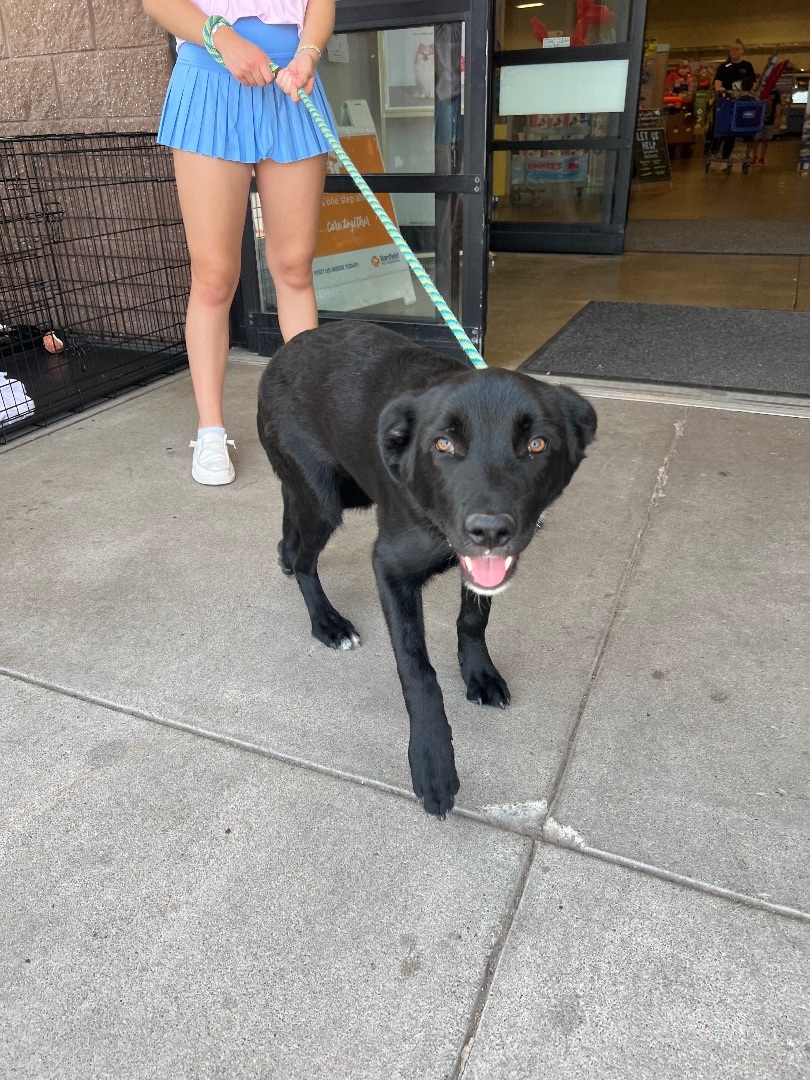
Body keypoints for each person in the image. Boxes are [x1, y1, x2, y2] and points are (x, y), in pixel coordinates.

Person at [142, 0, 337, 485]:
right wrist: (222, 39)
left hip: (290, 84)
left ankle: (305, 424)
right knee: (213, 277)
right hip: (210, 81)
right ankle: (211, 430)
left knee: (294, 266)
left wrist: (309, 53)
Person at [711, 40, 757, 161]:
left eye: (737, 49)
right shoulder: (724, 66)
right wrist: (719, 89)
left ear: (742, 51)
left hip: (741, 101)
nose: (735, 52)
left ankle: (726, 155)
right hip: (726, 101)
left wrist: (747, 90)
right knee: (720, 126)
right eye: (732, 49)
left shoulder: (747, 66)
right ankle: (714, 150)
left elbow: (754, 83)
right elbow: (717, 82)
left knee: (733, 128)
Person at [751, 87, 783, 166]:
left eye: (773, 95)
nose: (771, 96)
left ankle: (761, 158)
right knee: (755, 140)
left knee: (764, 141)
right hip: (760, 123)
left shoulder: (776, 104)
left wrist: (776, 122)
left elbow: (778, 114)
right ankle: (754, 156)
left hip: (768, 123)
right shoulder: (762, 102)